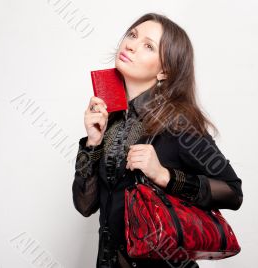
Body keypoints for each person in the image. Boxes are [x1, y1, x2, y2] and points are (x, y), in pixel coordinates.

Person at [72, 13, 243, 268]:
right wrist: (93, 143)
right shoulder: (112, 119)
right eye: (132, 35)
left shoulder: (178, 123)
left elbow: (233, 192)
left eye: (148, 46)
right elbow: (85, 206)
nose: (131, 44)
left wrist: (164, 176)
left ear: (164, 71)